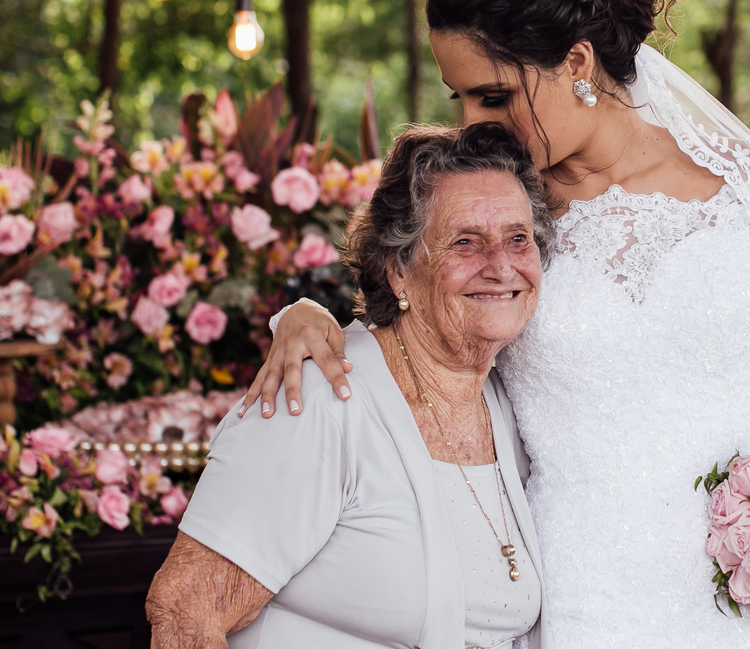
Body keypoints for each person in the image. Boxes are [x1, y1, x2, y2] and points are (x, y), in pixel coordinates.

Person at [246, 0, 750, 648]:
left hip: (745, 588)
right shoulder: (500, 211)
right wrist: (305, 317)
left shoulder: (739, 181)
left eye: (496, 94)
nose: (478, 122)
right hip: (578, 590)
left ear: (577, 63)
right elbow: (406, 317)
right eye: (462, 99)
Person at [146, 123, 554, 649]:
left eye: (518, 238)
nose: (500, 265)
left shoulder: (509, 401)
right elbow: (184, 611)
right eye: (465, 242)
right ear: (399, 271)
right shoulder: (316, 397)